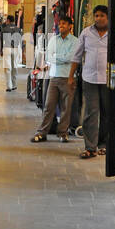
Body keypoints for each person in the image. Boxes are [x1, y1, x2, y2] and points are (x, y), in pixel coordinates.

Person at [68, 4, 115, 160]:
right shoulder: (86, 33)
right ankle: (90, 147)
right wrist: (71, 76)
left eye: (101, 16)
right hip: (89, 79)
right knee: (91, 112)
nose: (98, 18)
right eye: (96, 15)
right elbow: (77, 56)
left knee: (107, 112)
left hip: (109, 79)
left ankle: (103, 145)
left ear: (108, 17)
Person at [31, 15, 78, 143]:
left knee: (66, 108)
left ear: (70, 26)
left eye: (63, 24)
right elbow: (49, 57)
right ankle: (42, 132)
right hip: (53, 77)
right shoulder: (53, 40)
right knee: (48, 106)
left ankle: (63, 133)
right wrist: (61, 57)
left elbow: (71, 58)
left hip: (68, 77)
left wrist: (57, 57)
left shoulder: (75, 41)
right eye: (59, 24)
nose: (60, 26)